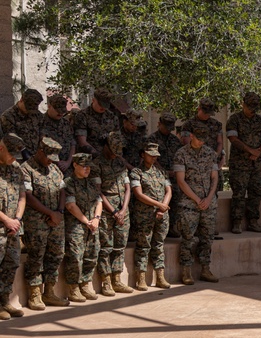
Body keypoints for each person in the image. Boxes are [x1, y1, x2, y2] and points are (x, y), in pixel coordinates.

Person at [20, 137, 69, 309]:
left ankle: (49, 292)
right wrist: (50, 213)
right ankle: (34, 294)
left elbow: (63, 190)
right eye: (48, 157)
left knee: (56, 254)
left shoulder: (54, 168)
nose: (50, 161)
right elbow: (28, 196)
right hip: (36, 221)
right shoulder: (26, 169)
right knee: (36, 255)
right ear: (40, 151)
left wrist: (60, 212)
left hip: (56, 220)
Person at [173, 126, 220, 284]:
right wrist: (197, 199)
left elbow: (214, 177)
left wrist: (208, 198)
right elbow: (181, 180)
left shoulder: (210, 153)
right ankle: (186, 272)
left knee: (207, 238)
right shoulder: (181, 154)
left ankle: (205, 269)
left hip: (208, 203)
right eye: (199, 138)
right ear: (191, 135)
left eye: (204, 139)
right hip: (189, 204)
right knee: (188, 238)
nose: (202, 142)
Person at [91, 132, 133, 296]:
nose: (116, 153)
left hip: (123, 210)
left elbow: (128, 187)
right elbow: (98, 192)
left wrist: (123, 210)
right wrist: (114, 211)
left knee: (120, 247)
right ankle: (106, 282)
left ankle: (117, 280)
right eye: (113, 149)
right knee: (106, 247)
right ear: (106, 146)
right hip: (108, 211)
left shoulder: (120, 163)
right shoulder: (96, 165)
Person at [129, 142, 172, 291]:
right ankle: (141, 278)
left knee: (159, 245)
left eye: (155, 156)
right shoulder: (136, 172)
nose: (153, 158)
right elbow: (139, 194)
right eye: (150, 155)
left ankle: (160, 276)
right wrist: (158, 205)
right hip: (144, 216)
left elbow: (168, 191)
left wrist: (164, 207)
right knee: (143, 246)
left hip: (161, 215)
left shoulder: (161, 172)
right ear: (143, 154)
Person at [226, 92, 261, 233]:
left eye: (255, 106)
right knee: (239, 193)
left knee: (257, 193)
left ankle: (253, 221)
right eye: (250, 106)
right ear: (243, 104)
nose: (252, 109)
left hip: (257, 164)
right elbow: (233, 139)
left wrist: (258, 152)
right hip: (239, 164)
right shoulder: (234, 119)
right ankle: (237, 222)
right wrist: (250, 151)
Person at [62, 153, 102, 303]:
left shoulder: (91, 183)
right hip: (77, 225)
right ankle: (73, 288)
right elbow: (71, 206)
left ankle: (85, 284)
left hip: (92, 224)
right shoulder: (69, 183)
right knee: (75, 256)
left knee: (92, 254)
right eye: (84, 166)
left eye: (88, 166)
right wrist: (87, 222)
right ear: (75, 165)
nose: (87, 169)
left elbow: (99, 201)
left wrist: (96, 219)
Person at [0, 134, 27, 318]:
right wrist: (6, 220)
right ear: (1, 148)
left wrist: (16, 218)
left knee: (11, 264)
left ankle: (4, 301)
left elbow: (22, 195)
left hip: (13, 227)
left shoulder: (16, 168)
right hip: (2, 225)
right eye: (11, 154)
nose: (13, 159)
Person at [180, 98, 225, 169]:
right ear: (199, 109)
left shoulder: (216, 124)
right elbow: (187, 144)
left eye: (209, 113)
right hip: (196, 163)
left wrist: (218, 155)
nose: (207, 115)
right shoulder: (188, 125)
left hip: (214, 162)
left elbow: (220, 142)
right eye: (205, 113)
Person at [73, 88, 121, 154]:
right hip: (90, 157)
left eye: (105, 105)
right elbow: (82, 142)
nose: (103, 107)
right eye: (100, 104)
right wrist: (97, 154)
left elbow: (117, 138)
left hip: (109, 157)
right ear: (93, 100)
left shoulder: (112, 116)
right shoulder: (83, 115)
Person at [0, 88, 44, 157]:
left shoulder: (37, 115)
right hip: (19, 158)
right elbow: (13, 140)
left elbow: (43, 133)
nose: (30, 111)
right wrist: (28, 158)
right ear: (21, 100)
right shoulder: (8, 116)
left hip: (37, 157)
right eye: (28, 107)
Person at [40, 93, 75, 173]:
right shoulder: (41, 122)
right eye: (57, 110)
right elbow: (41, 146)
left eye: (62, 111)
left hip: (67, 167)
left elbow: (72, 144)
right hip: (49, 167)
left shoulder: (66, 123)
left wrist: (68, 162)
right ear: (49, 106)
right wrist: (57, 162)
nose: (60, 113)